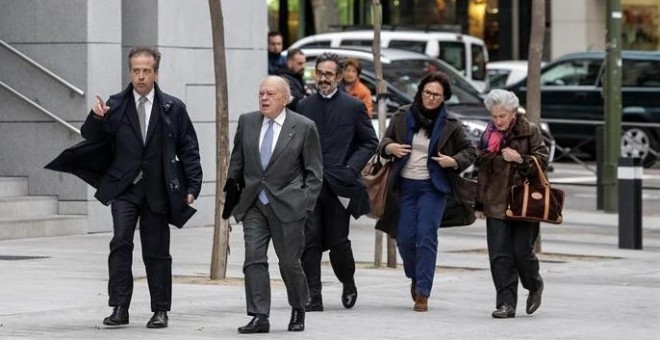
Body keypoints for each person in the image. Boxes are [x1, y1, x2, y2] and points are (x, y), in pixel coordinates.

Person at [46, 47, 202, 328]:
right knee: (120, 243)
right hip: (124, 189)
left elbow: (189, 148)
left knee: (156, 250)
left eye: (146, 71)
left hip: (157, 189)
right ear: (129, 71)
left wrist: (193, 186)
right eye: (135, 70)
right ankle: (119, 307)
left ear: (156, 73)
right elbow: (90, 136)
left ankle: (160, 309)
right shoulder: (115, 105)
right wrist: (97, 117)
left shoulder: (172, 108)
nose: (140, 76)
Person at [226, 76, 323, 334]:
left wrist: (305, 204)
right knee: (253, 259)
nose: (264, 98)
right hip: (253, 203)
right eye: (261, 93)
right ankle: (260, 315)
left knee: (289, 262)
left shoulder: (303, 126)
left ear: (284, 98)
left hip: (288, 205)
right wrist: (231, 202)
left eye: (270, 94)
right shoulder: (247, 122)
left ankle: (299, 306)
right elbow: (236, 163)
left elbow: (314, 172)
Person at [375, 72, 476, 312]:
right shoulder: (403, 115)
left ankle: (423, 292)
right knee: (405, 237)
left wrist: (453, 161)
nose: (431, 98)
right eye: (428, 93)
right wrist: (390, 147)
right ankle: (416, 276)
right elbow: (384, 141)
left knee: (426, 237)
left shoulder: (451, 123)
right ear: (420, 92)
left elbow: (470, 151)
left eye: (437, 96)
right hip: (404, 186)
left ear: (444, 99)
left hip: (433, 187)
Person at [297, 52, 379, 312]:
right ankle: (313, 295)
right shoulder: (304, 106)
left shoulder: (353, 107)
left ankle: (348, 281)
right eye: (319, 73)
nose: (323, 79)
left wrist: (350, 167)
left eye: (328, 74)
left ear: (339, 77)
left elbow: (370, 142)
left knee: (337, 241)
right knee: (309, 240)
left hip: (339, 185)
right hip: (309, 184)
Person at [474, 89, 548, 319]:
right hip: (495, 202)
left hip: (524, 203)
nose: (497, 121)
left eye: (502, 116)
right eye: (494, 116)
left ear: (513, 113)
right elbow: (482, 172)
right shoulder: (488, 135)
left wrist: (520, 159)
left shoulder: (529, 131)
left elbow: (543, 161)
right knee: (499, 255)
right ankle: (506, 303)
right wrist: (479, 204)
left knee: (522, 252)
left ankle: (534, 284)